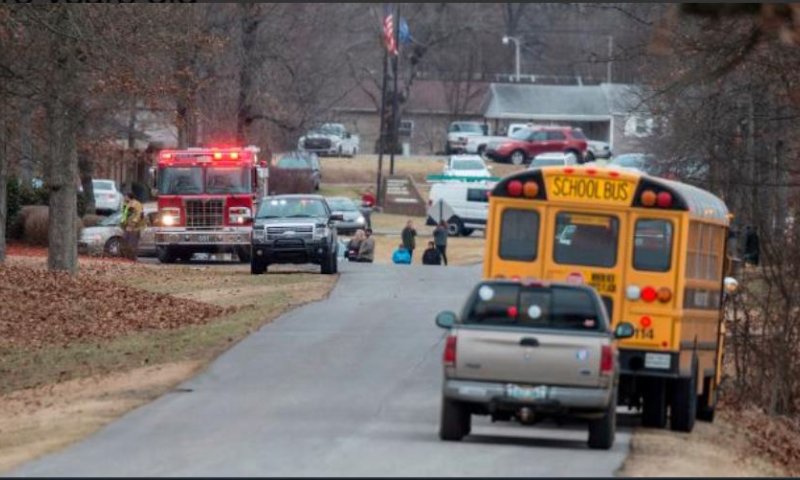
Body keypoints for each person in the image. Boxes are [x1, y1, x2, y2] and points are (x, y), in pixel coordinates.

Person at [120, 191, 145, 261]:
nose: (124, 198)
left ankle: (132, 258)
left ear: (128, 197)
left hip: (134, 228)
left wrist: (133, 223)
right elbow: (124, 215)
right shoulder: (126, 204)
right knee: (124, 242)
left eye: (125, 196)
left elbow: (139, 214)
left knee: (132, 244)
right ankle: (126, 257)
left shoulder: (136, 204)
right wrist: (123, 224)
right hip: (127, 227)